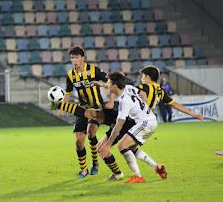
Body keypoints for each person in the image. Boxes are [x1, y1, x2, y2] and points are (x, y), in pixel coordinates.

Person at [51, 65, 204, 181]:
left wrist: (108, 143)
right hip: (137, 121)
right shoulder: (155, 90)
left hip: (130, 122)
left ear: (148, 77)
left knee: (109, 147)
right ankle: (153, 167)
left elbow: (120, 120)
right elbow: (174, 104)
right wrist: (193, 114)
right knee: (126, 144)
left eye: (143, 76)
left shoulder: (140, 90)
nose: (141, 79)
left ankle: (128, 175)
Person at [60, 46, 115, 179]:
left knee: (91, 133)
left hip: (96, 109)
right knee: (79, 142)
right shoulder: (71, 75)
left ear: (82, 58)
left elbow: (111, 82)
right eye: (72, 58)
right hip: (83, 110)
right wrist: (62, 107)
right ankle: (83, 170)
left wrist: (111, 100)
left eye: (77, 57)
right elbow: (68, 93)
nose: (74, 60)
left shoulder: (93, 70)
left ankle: (95, 163)